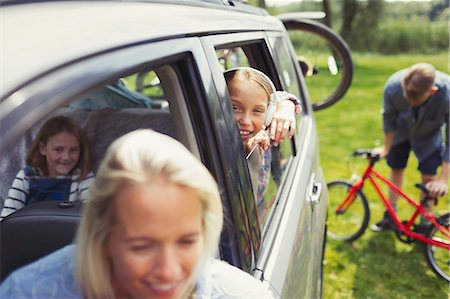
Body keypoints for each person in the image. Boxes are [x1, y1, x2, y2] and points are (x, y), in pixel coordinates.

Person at [0, 129, 274, 298]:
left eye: (187, 241)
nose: (168, 271)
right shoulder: (28, 292)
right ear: (103, 237)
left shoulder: (241, 294)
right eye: (142, 247)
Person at [371, 62, 449, 232]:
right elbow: (389, 119)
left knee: (429, 178)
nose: (411, 104)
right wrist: (386, 148)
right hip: (401, 132)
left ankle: (424, 224)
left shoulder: (447, 95)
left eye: (417, 100)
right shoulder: (393, 86)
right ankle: (390, 215)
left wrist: (443, 179)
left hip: (429, 136)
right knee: (396, 168)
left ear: (432, 91)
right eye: (408, 99)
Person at [224, 67, 300, 201]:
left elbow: (284, 97)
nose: (246, 121)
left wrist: (284, 107)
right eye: (234, 108)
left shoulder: (265, 131)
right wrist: (248, 155)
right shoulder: (213, 142)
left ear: (269, 114)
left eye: (257, 111)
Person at [0, 116, 94, 221]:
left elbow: (92, 216)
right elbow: (6, 219)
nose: (66, 157)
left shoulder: (82, 177)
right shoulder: (26, 177)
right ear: (42, 148)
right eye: (58, 149)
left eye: (73, 150)